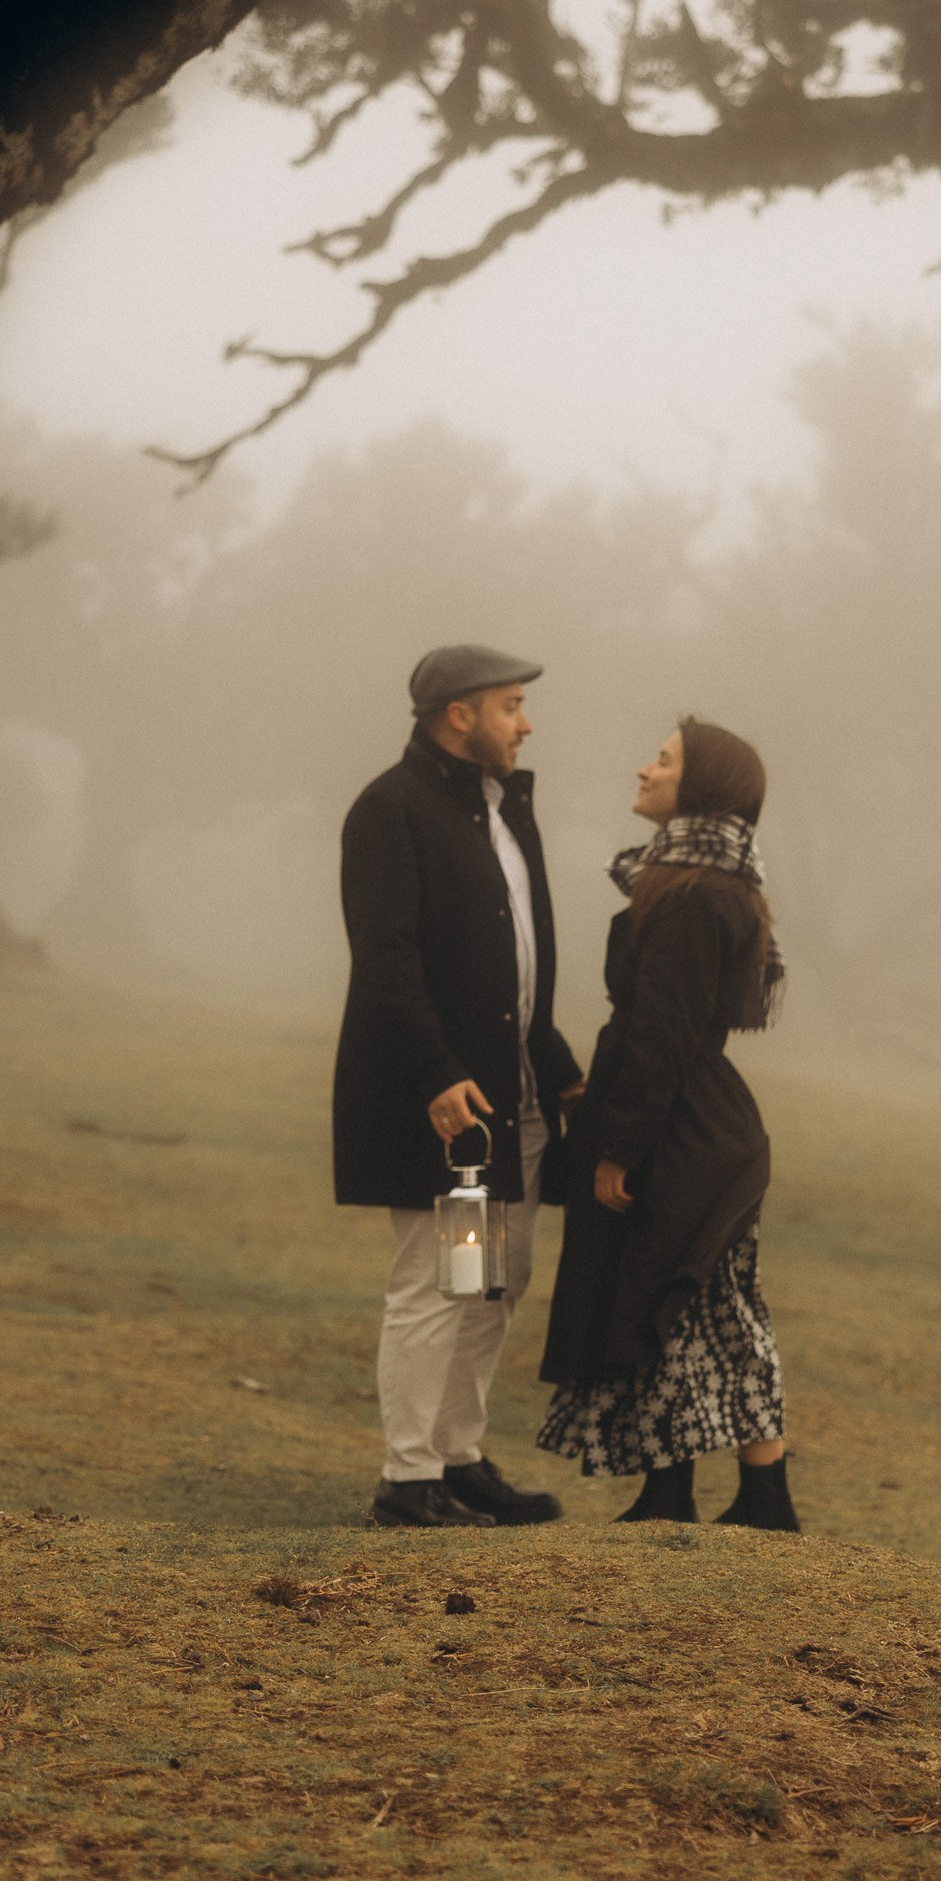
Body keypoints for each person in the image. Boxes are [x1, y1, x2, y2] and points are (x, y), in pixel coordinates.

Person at [335, 645, 586, 1528]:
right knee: (444, 1281)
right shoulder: (390, 811)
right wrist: (438, 1074)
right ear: (459, 715)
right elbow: (387, 958)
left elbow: (519, 964)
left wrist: (554, 1068)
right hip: (453, 1110)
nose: (525, 722)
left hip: (513, 1099)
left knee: (493, 1281)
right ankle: (408, 1481)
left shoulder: (500, 811)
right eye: (511, 705)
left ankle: (455, 1456)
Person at [536, 718, 799, 1529]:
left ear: (702, 789)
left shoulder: (692, 899)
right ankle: (675, 1489)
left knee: (701, 1303)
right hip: (690, 1118)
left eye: (665, 761)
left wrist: (619, 1150)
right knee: (676, 1304)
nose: (645, 769)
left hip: (685, 1130)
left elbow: (665, 1034)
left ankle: (759, 1498)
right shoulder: (689, 884)